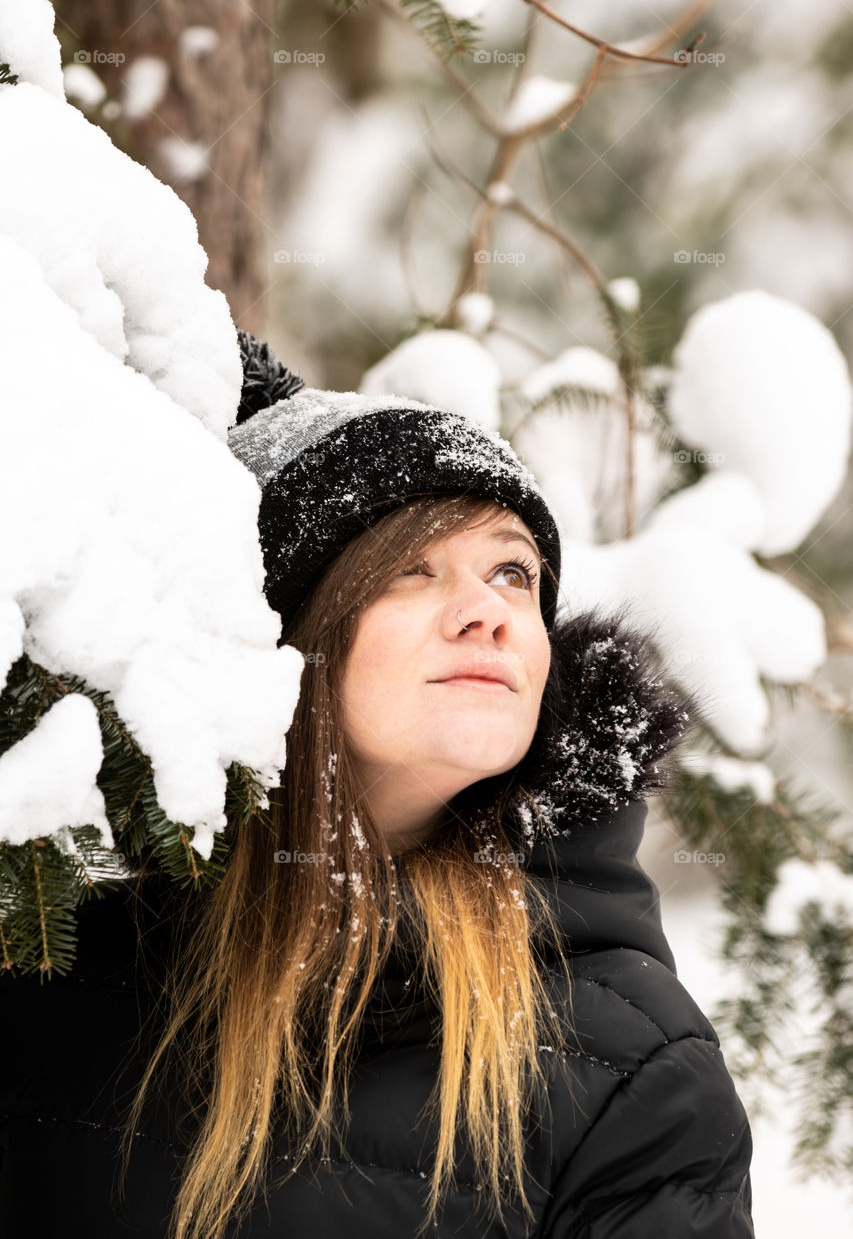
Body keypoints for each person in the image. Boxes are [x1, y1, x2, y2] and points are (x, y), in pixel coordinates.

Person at [0, 332, 755, 1238]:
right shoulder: (54, 941)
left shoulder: (629, 1060)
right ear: (282, 628)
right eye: (412, 568)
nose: (489, 611)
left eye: (513, 571)